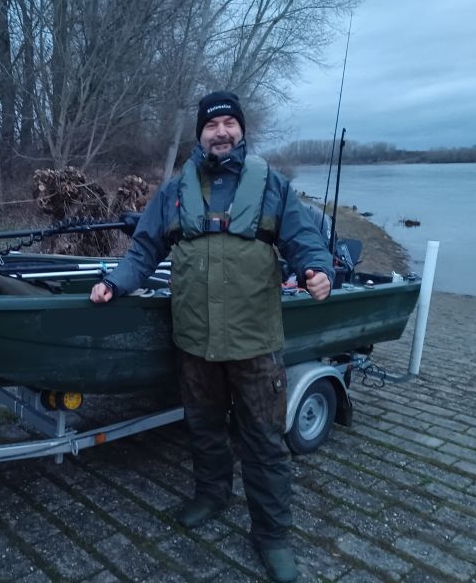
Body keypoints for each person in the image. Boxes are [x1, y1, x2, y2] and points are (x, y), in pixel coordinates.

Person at [90, 91, 333, 583]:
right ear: (200, 134)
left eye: (229, 123)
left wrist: (318, 269)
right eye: (211, 125)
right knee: (203, 429)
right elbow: (143, 250)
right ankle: (211, 495)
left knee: (264, 442)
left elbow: (304, 240)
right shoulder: (174, 191)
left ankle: (272, 536)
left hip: (254, 344)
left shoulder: (273, 185)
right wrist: (114, 283)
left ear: (241, 130)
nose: (221, 132)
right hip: (195, 343)